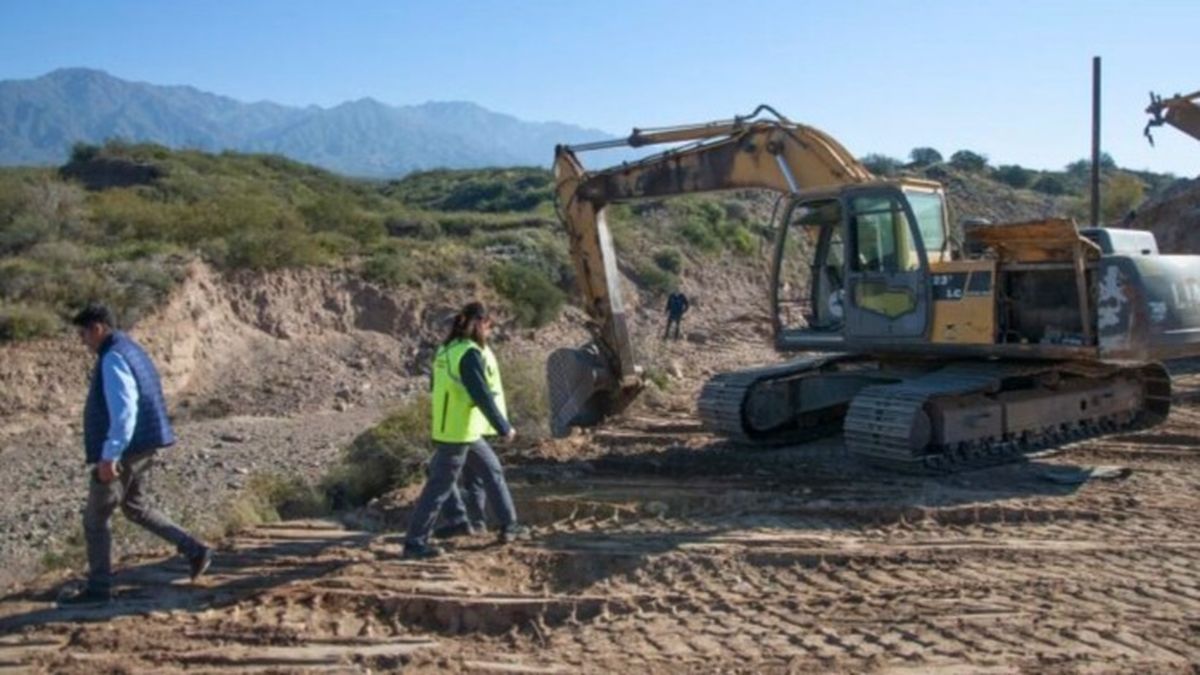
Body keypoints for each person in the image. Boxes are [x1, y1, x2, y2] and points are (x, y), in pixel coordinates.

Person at [59, 304, 212, 606]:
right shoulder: (130, 348)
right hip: (143, 445)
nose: (82, 340)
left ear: (98, 328)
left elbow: (125, 411)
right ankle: (195, 550)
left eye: (83, 333)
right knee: (135, 507)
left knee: (95, 519)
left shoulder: (113, 357)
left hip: (126, 450)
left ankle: (99, 590)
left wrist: (110, 455)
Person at [403, 302, 530, 559]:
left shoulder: (447, 349)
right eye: (489, 326)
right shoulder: (469, 354)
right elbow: (481, 394)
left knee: (492, 471)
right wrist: (503, 427)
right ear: (480, 324)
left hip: (460, 429)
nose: (490, 332)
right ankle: (415, 543)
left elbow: (437, 387)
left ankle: (508, 525)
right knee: (438, 487)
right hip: (458, 432)